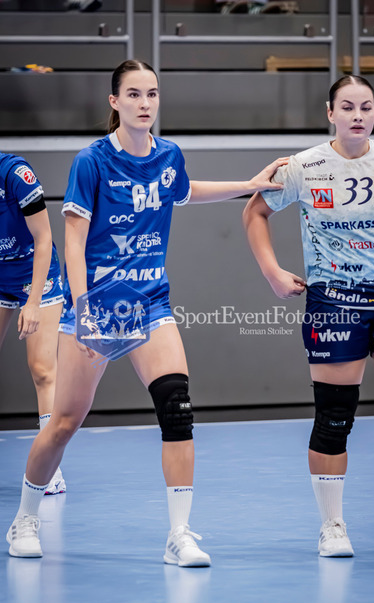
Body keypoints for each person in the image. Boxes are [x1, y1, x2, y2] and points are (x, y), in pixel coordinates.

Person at [6, 59, 286, 564]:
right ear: (114, 102)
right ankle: (25, 519)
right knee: (64, 422)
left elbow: (186, 191)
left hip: (149, 303)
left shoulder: (169, 155)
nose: (144, 103)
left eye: (152, 94)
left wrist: (250, 184)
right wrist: (84, 307)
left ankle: (179, 535)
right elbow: (73, 240)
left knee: (177, 407)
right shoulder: (92, 161)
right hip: (94, 306)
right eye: (133, 94)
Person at [243, 75, 374, 557]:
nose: (358, 115)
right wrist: (273, 273)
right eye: (347, 107)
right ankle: (332, 526)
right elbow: (254, 213)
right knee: (335, 415)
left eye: (366, 107)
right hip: (335, 300)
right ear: (331, 113)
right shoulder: (303, 167)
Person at [0, 152, 65, 496]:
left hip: (34, 271)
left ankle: (50, 469)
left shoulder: (15, 174)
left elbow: (43, 239)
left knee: (42, 369)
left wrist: (33, 302)